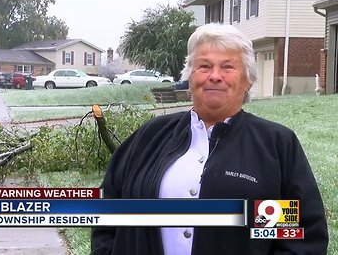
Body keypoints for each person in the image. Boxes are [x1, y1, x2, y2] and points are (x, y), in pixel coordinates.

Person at [91, 23, 328, 255]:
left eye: (227, 67)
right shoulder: (150, 136)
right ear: (190, 77)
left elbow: (299, 233)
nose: (215, 76)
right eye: (204, 66)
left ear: (247, 80)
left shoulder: (275, 145)